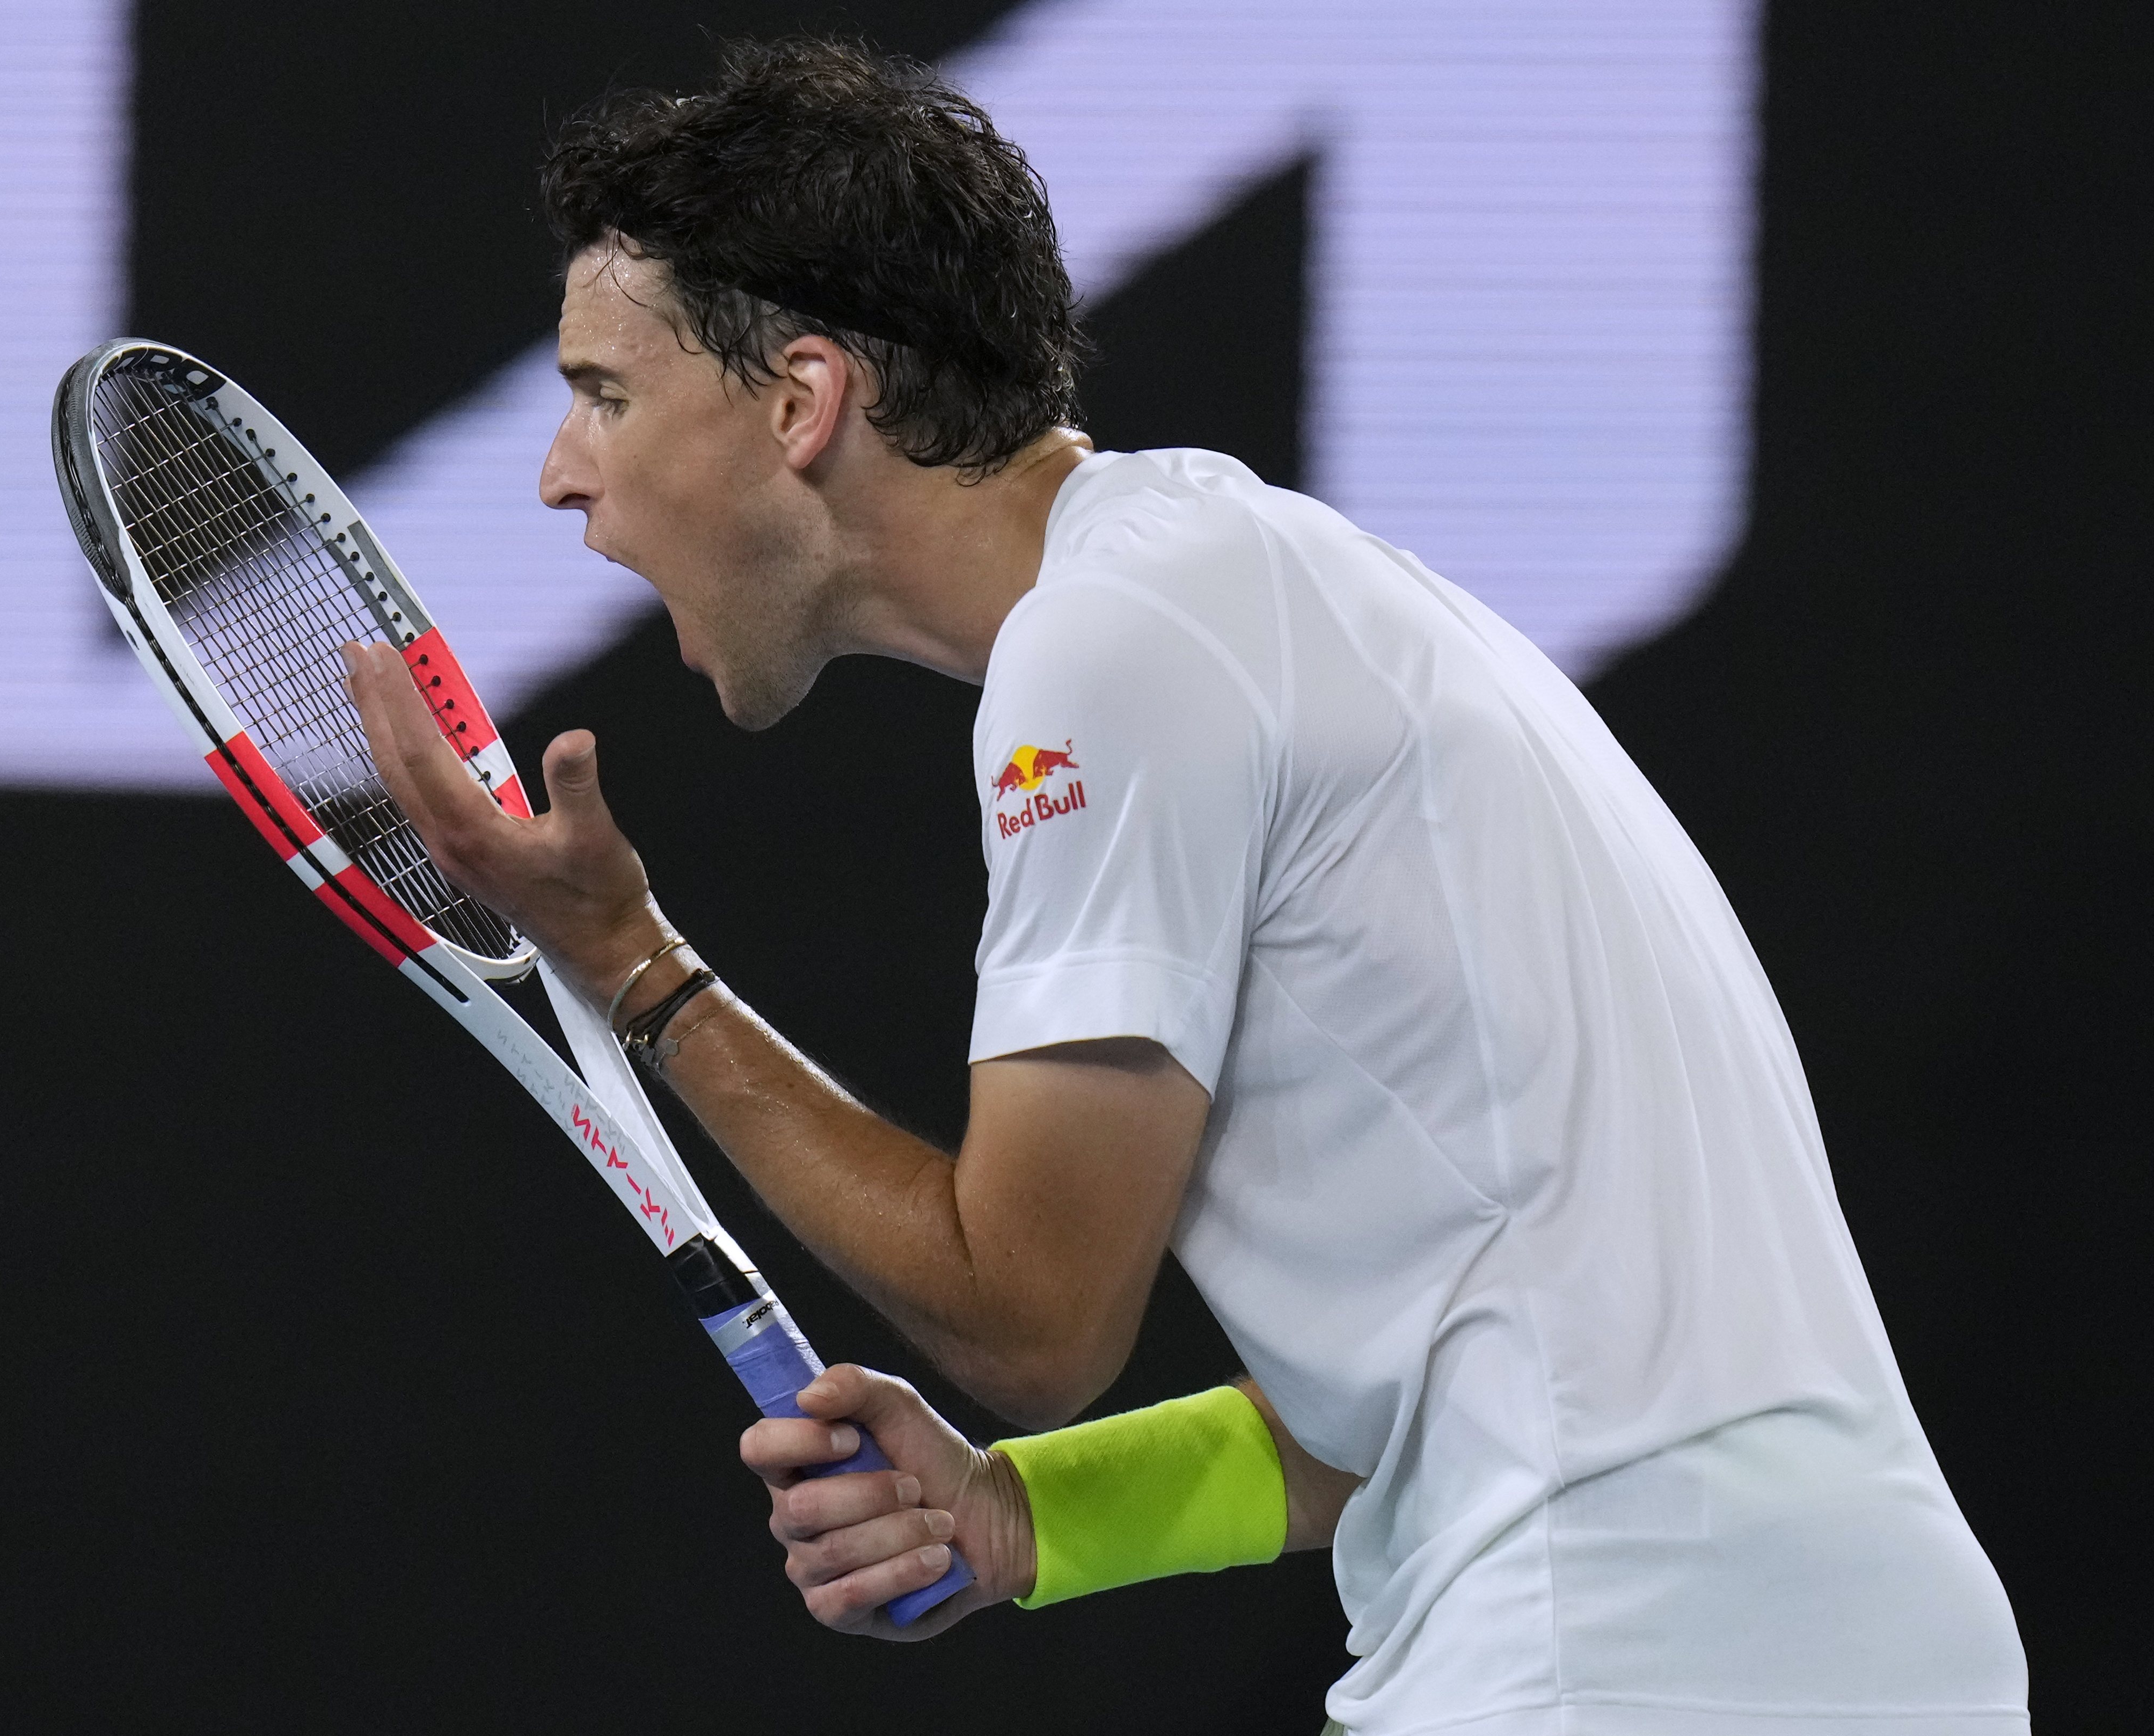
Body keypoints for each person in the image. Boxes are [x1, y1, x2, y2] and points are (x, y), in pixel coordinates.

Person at [342, 38, 2028, 1735]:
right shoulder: (1249, 581)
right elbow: (1399, 1401)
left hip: (1621, 1655)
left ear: (801, 400)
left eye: (606, 394)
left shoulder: (1114, 648)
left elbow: (1030, 1320)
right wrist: (1024, 1514)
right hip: (1836, 1643)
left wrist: (637, 969)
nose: (563, 471)